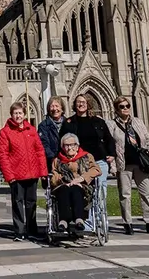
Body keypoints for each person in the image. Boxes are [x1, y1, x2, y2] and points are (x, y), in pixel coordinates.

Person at [59, 94, 115, 231]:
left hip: (98, 160)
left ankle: (99, 222)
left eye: (83, 102)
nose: (81, 104)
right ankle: (88, 224)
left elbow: (109, 139)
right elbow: (62, 141)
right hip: (79, 162)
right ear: (74, 105)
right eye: (78, 102)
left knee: (100, 192)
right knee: (84, 192)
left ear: (88, 104)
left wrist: (111, 154)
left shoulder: (98, 121)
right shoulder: (69, 123)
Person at [106, 96, 149, 235]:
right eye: (121, 106)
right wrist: (112, 166)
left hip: (141, 163)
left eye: (127, 105)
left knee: (146, 193)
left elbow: (148, 141)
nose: (125, 108)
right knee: (125, 195)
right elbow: (110, 147)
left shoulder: (138, 122)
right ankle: (127, 223)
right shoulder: (111, 124)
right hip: (124, 164)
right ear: (116, 109)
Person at [0, 102, 47, 241]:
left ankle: (32, 228)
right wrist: (9, 175)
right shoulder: (5, 132)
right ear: (11, 115)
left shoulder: (31, 130)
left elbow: (39, 151)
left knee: (31, 202)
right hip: (16, 175)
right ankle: (19, 231)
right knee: (18, 203)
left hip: (32, 173)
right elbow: (2, 155)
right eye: (15, 113)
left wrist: (42, 172)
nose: (18, 116)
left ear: (24, 114)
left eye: (20, 113)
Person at [50, 133, 102, 238]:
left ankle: (79, 219)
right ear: (62, 147)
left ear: (77, 146)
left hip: (82, 187)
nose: (69, 148)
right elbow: (53, 177)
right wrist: (62, 179)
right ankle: (63, 221)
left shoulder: (87, 156)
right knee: (65, 190)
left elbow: (96, 170)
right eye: (66, 145)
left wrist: (81, 179)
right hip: (64, 186)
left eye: (72, 145)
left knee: (75, 189)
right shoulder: (57, 160)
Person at [37, 97, 67, 173]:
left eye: (57, 106)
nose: (54, 109)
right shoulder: (43, 126)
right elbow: (44, 144)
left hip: (67, 162)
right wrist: (54, 158)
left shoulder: (68, 123)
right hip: (50, 163)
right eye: (52, 106)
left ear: (62, 108)